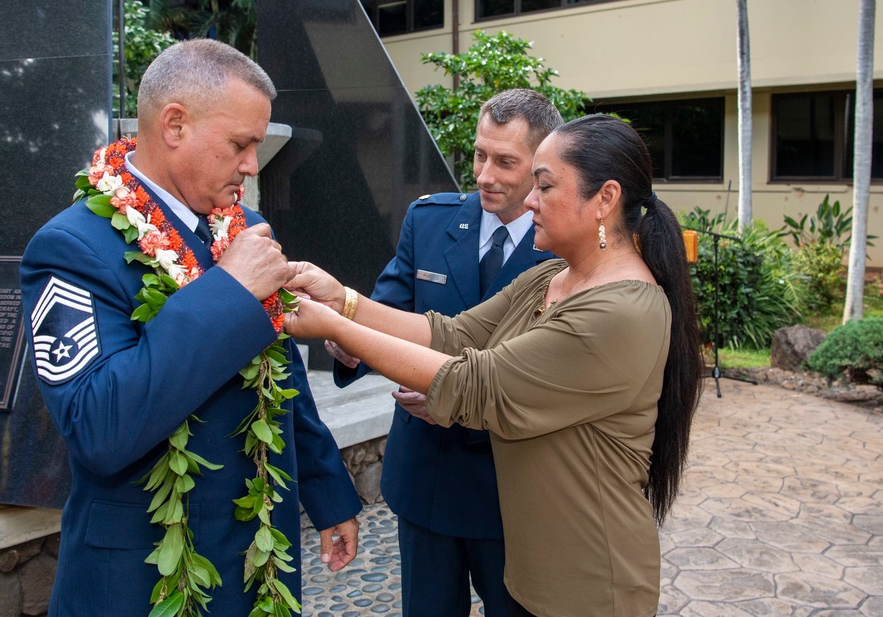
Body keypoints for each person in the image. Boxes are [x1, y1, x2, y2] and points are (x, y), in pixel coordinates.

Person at [284, 114, 702, 616]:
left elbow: (475, 382)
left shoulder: (622, 311)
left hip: (588, 579)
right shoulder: (552, 276)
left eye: (543, 186)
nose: (528, 200)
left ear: (606, 199)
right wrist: (343, 300)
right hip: (534, 570)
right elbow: (454, 333)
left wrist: (334, 328)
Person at [19, 39, 362, 616]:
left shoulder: (245, 227)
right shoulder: (70, 247)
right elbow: (98, 425)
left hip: (255, 564)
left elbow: (280, 376)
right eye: (240, 144)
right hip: (142, 576)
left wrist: (328, 493)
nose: (253, 164)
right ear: (174, 124)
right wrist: (229, 293)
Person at [328, 88, 563, 616]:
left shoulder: (564, 246)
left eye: (506, 162)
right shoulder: (430, 221)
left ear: (542, 163)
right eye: (480, 155)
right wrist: (349, 349)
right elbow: (386, 313)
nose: (485, 175)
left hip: (513, 491)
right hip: (427, 482)